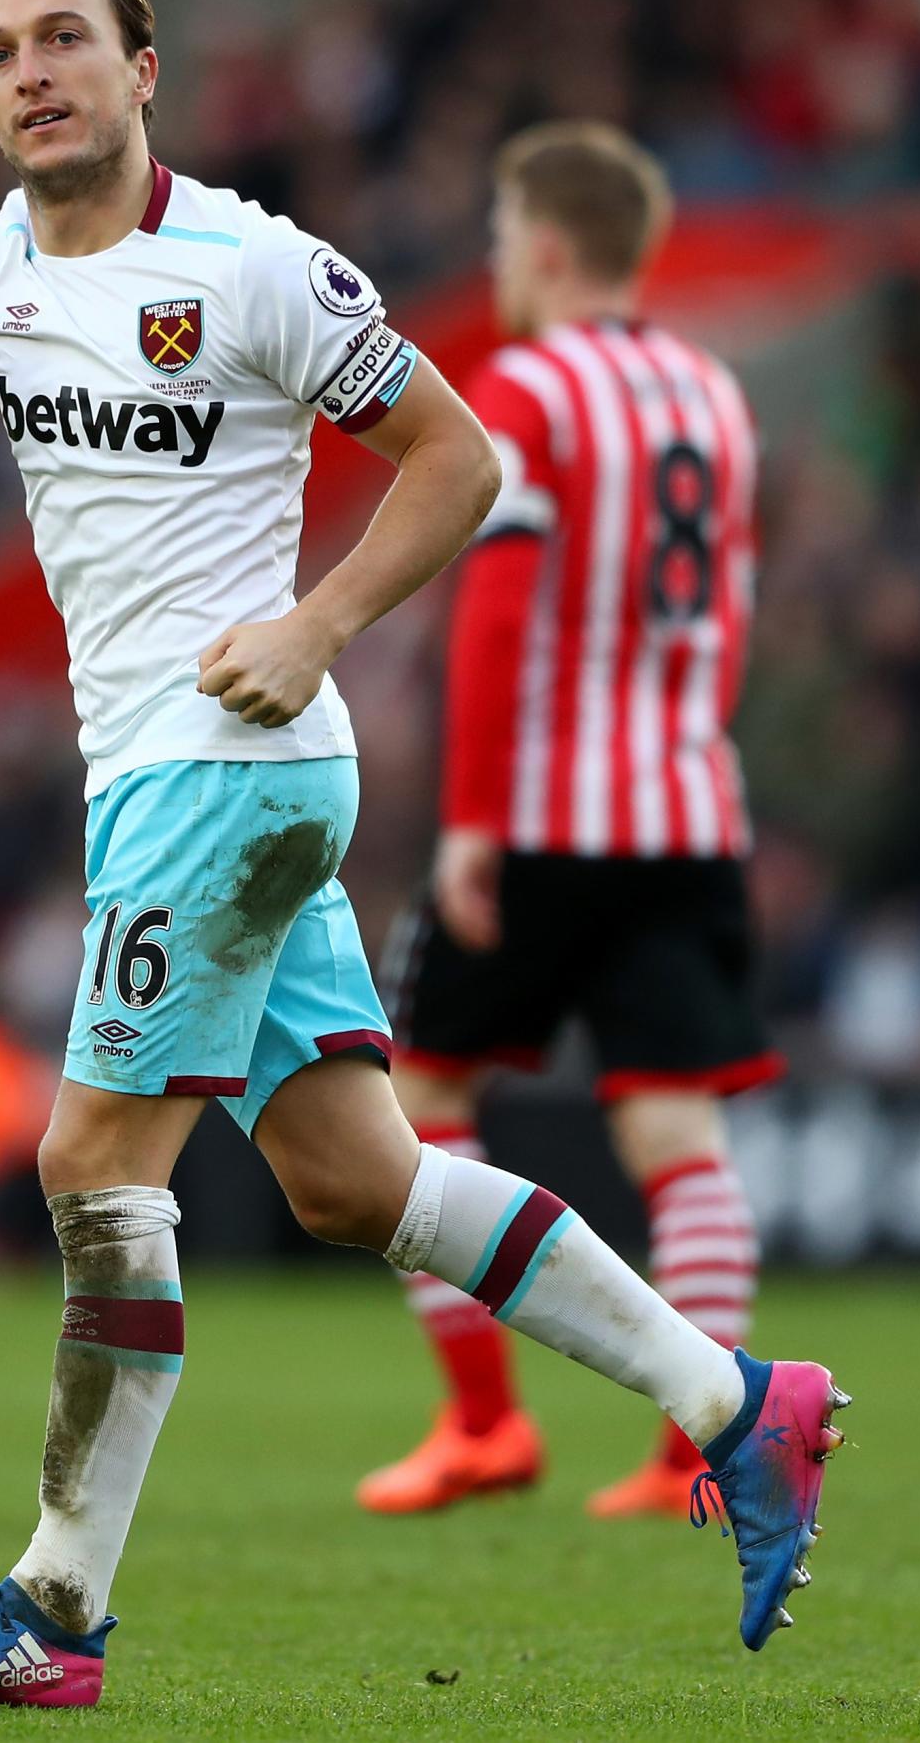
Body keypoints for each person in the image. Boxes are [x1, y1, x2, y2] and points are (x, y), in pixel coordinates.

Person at [0, 0, 846, 1706]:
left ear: (140, 72)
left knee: (89, 1164)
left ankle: (53, 1612)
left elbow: (460, 456)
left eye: (62, 42)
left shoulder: (260, 267)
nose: (30, 74)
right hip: (176, 779)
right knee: (358, 1182)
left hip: (230, 765)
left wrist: (320, 617)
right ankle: (740, 1404)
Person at [360, 123, 781, 1523]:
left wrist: (471, 821)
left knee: (416, 1108)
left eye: (498, 239)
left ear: (546, 246)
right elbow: (729, 613)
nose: (496, 266)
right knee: (679, 1132)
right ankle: (696, 1449)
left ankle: (484, 1422)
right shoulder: (713, 392)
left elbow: (492, 618)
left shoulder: (528, 393)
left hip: (542, 816)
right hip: (686, 805)